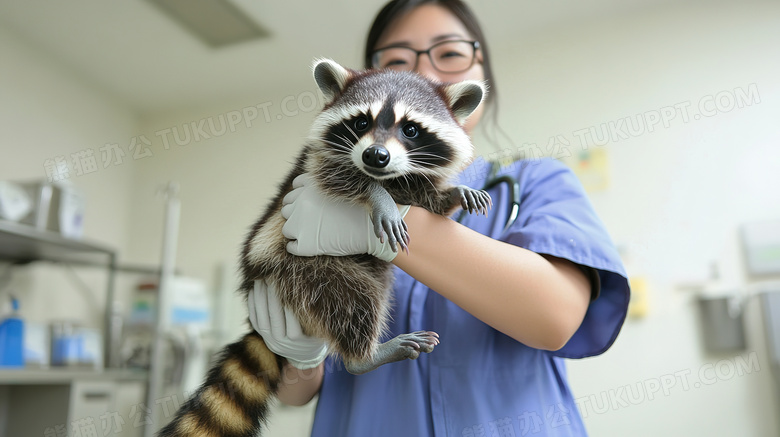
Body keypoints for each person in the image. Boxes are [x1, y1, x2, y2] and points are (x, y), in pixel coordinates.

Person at [248, 1, 631, 435]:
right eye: (396, 60)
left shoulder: (537, 181)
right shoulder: (319, 195)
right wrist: (301, 353)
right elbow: (293, 393)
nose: (422, 75)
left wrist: (391, 232)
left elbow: (555, 318)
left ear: (474, 83)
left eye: (449, 54)